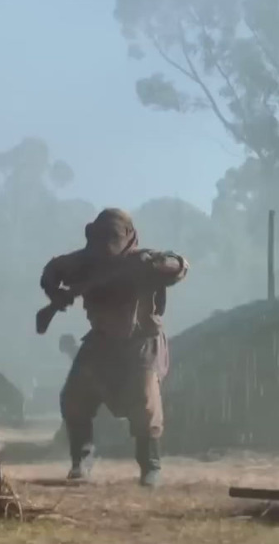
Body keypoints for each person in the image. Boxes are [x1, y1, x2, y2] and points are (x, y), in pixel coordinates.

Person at [38, 208, 188, 488]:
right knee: (73, 397)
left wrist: (155, 265)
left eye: (112, 237)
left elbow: (180, 266)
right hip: (102, 340)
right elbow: (52, 271)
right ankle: (81, 461)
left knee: (146, 403)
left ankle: (150, 466)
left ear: (128, 236)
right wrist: (55, 294)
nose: (106, 245)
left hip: (143, 341)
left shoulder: (144, 260)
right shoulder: (85, 261)